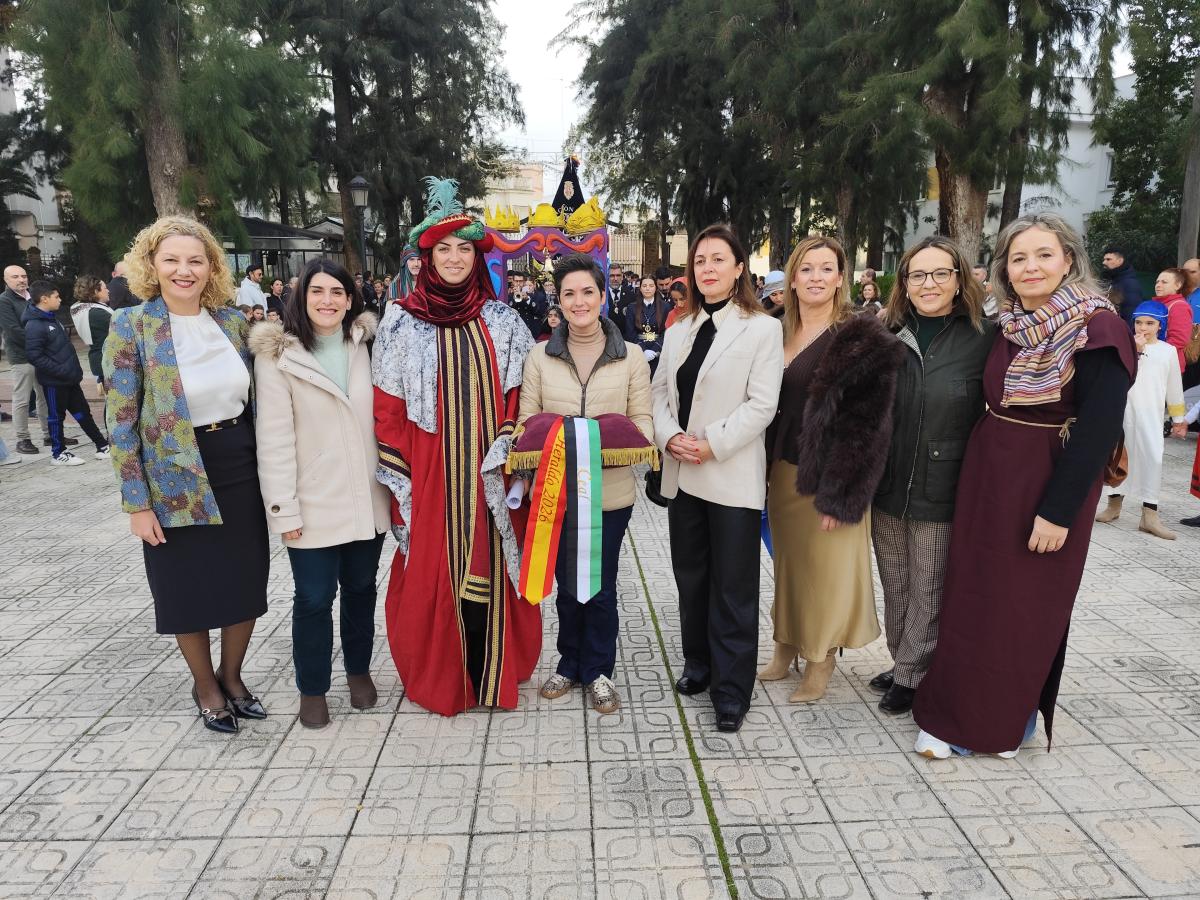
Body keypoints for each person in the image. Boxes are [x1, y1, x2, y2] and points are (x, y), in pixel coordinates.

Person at [913, 213, 1136, 759]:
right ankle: (957, 708)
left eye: (1043, 254)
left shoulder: (1098, 328)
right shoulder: (1009, 324)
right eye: (1018, 258)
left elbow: (1099, 430)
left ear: (1068, 260)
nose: (1030, 267)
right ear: (1005, 270)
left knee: (1023, 606)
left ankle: (1000, 726)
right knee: (974, 596)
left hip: (1046, 481)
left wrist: (1058, 512)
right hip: (989, 478)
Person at [373, 177, 539, 717]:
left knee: (490, 564)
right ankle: (445, 676)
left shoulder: (503, 321)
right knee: (434, 566)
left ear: (476, 256)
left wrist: (509, 448)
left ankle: (491, 672)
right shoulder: (399, 323)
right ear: (425, 258)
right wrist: (404, 479)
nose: (454, 257)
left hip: (490, 472)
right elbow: (388, 408)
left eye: (463, 248)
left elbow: (520, 396)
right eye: (442, 248)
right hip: (431, 473)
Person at [104, 215, 269, 735]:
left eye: (196, 260)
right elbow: (121, 422)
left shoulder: (233, 323)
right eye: (172, 259)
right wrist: (136, 503)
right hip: (173, 478)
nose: (184, 270)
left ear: (211, 267)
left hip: (239, 466)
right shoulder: (131, 325)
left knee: (245, 581)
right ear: (152, 265)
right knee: (186, 589)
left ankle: (232, 676)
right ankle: (205, 686)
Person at [651, 223, 784, 733]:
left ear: (738, 268)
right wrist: (670, 437)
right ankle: (699, 664)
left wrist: (711, 443)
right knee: (692, 577)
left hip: (730, 474)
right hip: (683, 473)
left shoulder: (762, 329)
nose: (707, 268)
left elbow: (762, 405)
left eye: (718, 259)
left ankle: (731, 690)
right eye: (700, 260)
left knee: (733, 586)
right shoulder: (677, 329)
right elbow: (659, 394)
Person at [757, 236, 900, 703]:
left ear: (841, 278)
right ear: (792, 279)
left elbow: (868, 425)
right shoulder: (773, 329)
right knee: (789, 566)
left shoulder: (860, 337)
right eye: (806, 268)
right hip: (782, 470)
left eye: (826, 268)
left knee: (826, 571)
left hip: (830, 476)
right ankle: (786, 644)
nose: (815, 277)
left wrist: (842, 494)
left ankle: (820, 658)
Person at [251, 259, 389, 728]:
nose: (327, 301)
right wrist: (283, 508)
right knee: (313, 597)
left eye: (337, 292)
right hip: (311, 501)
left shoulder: (366, 346)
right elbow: (273, 438)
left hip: (366, 496)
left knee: (361, 589)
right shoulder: (278, 356)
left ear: (350, 300)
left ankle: (358, 671)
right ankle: (312, 688)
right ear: (301, 296)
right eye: (317, 291)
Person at [519, 254, 653, 714]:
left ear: (602, 296)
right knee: (565, 584)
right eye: (569, 294)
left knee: (600, 585)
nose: (579, 302)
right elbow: (527, 420)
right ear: (558, 300)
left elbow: (643, 421)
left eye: (588, 292)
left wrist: (603, 443)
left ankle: (598, 670)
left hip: (609, 496)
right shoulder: (539, 356)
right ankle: (568, 662)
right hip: (554, 493)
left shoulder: (630, 356)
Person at [866, 236, 994, 715]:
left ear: (959, 279)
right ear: (904, 282)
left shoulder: (984, 337)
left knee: (929, 587)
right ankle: (904, 660)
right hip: (888, 482)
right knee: (896, 582)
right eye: (918, 275)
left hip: (944, 485)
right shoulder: (886, 332)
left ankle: (913, 675)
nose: (929, 284)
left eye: (941, 273)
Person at [1095, 300, 1186, 539]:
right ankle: (1113, 506)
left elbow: (1174, 386)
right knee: (1118, 457)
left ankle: (1149, 515)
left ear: (1160, 325)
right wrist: (1133, 351)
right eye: (1139, 322)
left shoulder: (1167, 351)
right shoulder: (1124, 346)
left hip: (1151, 416)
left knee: (1152, 459)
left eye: (1150, 323)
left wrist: (1178, 418)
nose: (1143, 327)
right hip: (1122, 412)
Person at [23, 280, 110, 466]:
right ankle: (58, 453)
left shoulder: (51, 318)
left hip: (69, 379)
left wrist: (71, 371)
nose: (60, 299)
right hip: (55, 382)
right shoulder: (34, 325)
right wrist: (61, 371)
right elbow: (34, 356)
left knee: (83, 413)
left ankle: (102, 446)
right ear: (44, 299)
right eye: (56, 296)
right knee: (56, 417)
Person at [0, 264, 54, 454]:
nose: (21, 280)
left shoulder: (33, 297)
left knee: (44, 396)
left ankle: (50, 434)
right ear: (6, 279)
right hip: (21, 356)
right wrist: (40, 341)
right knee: (22, 399)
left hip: (41, 355)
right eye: (15, 277)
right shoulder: (4, 300)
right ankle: (23, 439)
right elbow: (13, 331)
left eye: (23, 276)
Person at [70, 275, 113, 397]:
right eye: (105, 288)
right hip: (106, 361)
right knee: (115, 402)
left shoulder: (82, 308)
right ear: (95, 291)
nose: (108, 290)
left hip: (99, 358)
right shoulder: (96, 313)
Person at [625, 275, 670, 374]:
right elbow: (630, 333)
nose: (648, 288)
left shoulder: (665, 307)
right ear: (640, 288)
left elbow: (667, 331)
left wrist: (655, 349)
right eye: (644, 286)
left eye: (651, 285)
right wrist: (643, 350)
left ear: (656, 287)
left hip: (658, 352)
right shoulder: (632, 307)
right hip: (639, 351)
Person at [1151, 267, 1193, 372]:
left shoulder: (1179, 306)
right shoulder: (1158, 304)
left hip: (1169, 365)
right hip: (1156, 361)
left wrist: (1154, 351)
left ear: (1178, 285)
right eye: (1157, 282)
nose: (1158, 285)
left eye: (1164, 282)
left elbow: (1179, 339)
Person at [1100, 245, 1142, 323]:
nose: (1104, 262)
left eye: (1108, 259)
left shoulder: (1129, 284)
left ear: (1120, 261)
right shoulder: (1110, 280)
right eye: (1104, 259)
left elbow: (1131, 314)